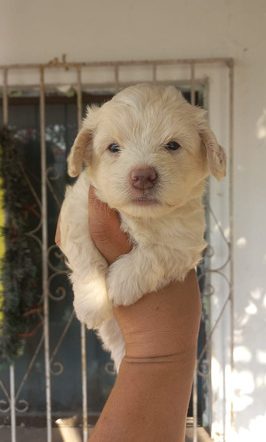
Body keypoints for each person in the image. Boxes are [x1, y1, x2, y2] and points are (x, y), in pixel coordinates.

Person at [56, 186, 202, 442]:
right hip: (145, 344)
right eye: (114, 148)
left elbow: (185, 244)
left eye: (171, 146)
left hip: (152, 343)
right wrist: (88, 279)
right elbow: (70, 227)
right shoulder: (90, 188)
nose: (142, 173)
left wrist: (148, 265)